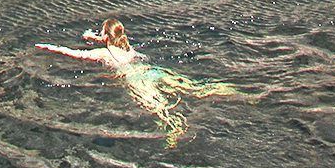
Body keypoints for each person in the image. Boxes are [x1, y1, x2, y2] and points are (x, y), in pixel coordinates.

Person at [37, 19, 236, 145]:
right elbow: (111, 38)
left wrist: (50, 47)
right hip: (151, 71)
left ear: (105, 36)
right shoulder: (126, 46)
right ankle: (225, 90)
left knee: (159, 108)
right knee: (193, 87)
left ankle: (175, 128)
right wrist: (94, 36)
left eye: (101, 32)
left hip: (136, 80)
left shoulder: (103, 53)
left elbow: (75, 53)